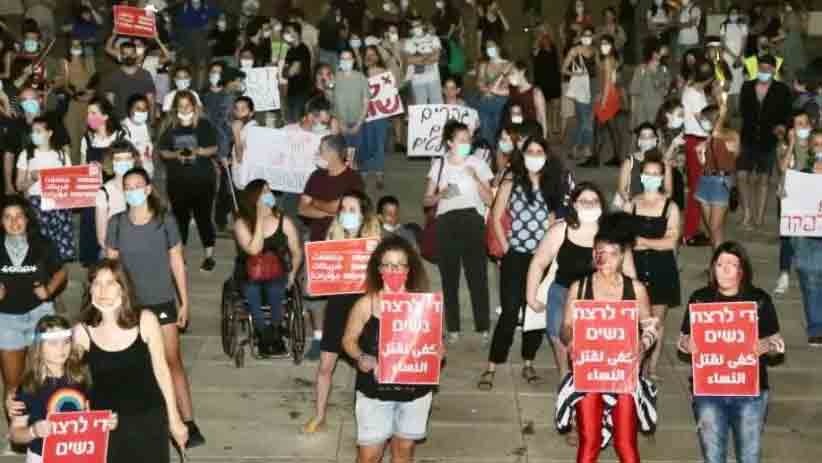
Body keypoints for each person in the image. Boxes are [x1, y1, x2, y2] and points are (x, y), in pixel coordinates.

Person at [105, 168, 205, 448]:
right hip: (130, 305)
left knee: (172, 361)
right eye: (128, 186)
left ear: (148, 189)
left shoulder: (166, 222)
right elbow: (110, 267)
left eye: (138, 185)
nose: (134, 190)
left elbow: (176, 262)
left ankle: (188, 421)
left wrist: (184, 301)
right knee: (136, 365)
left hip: (161, 301)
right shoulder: (116, 224)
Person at [559, 218, 659, 463]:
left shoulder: (635, 289)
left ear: (623, 256)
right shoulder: (579, 288)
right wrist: (571, 340)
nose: (607, 259)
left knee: (625, 444)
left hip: (623, 373)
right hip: (590, 372)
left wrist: (643, 344)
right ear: (594, 254)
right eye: (601, 253)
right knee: (589, 442)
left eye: (613, 254)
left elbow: (651, 326)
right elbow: (566, 326)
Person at [677, 242, 785, 463]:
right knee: (713, 455)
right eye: (719, 264)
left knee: (749, 455)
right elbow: (681, 339)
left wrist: (767, 345)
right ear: (712, 268)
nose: (724, 269)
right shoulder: (700, 298)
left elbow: (778, 343)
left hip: (750, 392)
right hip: (709, 391)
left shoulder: (759, 300)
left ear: (742, 270)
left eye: (731, 264)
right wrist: (687, 344)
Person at [480, 136, 573, 389]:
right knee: (510, 311)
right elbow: (497, 216)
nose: (534, 155)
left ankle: (528, 362)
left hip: (540, 259)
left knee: (534, 311)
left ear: (546, 155)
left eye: (538, 151)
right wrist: (507, 248)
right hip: (515, 256)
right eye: (530, 151)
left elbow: (555, 220)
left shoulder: (553, 184)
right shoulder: (512, 180)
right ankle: (492, 365)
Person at [73, 259, 189, 461]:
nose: (103, 291)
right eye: (97, 284)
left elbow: (162, 372)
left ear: (123, 288)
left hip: (148, 418)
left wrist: (175, 419)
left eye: (110, 283)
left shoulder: (145, 320)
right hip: (107, 424)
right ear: (89, 289)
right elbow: (69, 378)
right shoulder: (82, 332)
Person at [342, 235, 443, 463]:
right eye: (387, 265)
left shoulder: (423, 305)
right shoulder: (366, 304)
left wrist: (437, 354)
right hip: (374, 391)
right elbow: (348, 340)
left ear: (409, 270)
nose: (393, 270)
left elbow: (437, 345)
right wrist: (362, 357)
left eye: (399, 265)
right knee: (369, 455)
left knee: (403, 452)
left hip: (414, 393)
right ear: (379, 269)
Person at [303, 189, 381, 434]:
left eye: (352, 209)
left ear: (363, 214)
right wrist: (313, 280)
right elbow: (317, 278)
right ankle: (319, 415)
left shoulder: (376, 245)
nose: (346, 213)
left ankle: (371, 418)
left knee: (366, 365)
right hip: (337, 308)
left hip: (364, 311)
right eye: (343, 209)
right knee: (325, 366)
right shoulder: (331, 239)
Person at [8, 314, 116, 463]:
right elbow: (15, 433)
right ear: (39, 347)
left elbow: (90, 413)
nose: (61, 348)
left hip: (80, 452)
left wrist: (105, 422)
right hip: (42, 456)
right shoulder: (29, 385)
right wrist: (33, 431)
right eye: (53, 343)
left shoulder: (81, 376)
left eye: (66, 342)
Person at [423, 120, 493, 343]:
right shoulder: (439, 164)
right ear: (450, 143)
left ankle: (483, 326)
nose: (466, 143)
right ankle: (453, 328)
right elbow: (426, 200)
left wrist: (475, 177)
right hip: (447, 223)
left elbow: (490, 199)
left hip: (473, 220)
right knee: (449, 277)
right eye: (461, 140)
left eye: (468, 139)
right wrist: (440, 195)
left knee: (477, 276)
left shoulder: (478, 163)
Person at [526, 182, 604, 377]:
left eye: (594, 201)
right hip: (562, 292)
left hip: (598, 297)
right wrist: (531, 298)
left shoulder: (610, 233)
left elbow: (627, 270)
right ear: (574, 204)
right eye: (584, 201)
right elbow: (538, 263)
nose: (589, 205)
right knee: (559, 338)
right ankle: (564, 377)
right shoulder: (561, 230)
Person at [299, 134, 365, 359]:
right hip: (318, 244)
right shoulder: (315, 176)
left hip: (344, 246)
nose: (319, 154)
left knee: (342, 297)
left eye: (321, 150)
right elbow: (302, 209)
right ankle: (318, 338)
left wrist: (316, 202)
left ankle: (345, 338)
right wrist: (329, 208)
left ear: (332, 153)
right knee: (314, 295)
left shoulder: (353, 179)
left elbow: (341, 207)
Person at [0, 195, 66, 418]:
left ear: (27, 219)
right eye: (7, 217)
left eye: (19, 216)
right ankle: (16, 431)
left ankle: (51, 426)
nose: (14, 222)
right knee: (13, 382)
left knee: (49, 377)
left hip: (41, 315)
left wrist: (49, 290)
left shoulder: (42, 243)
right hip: (7, 319)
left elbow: (61, 271)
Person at [624, 156, 681, 380]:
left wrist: (643, 242)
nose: (651, 177)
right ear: (641, 176)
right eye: (647, 173)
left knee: (656, 322)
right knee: (633, 319)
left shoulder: (671, 207)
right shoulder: (632, 203)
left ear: (661, 177)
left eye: (656, 174)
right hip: (634, 269)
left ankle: (652, 368)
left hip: (662, 268)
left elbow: (671, 241)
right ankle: (634, 363)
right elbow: (624, 239)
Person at [234, 180, 303, 357]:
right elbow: (254, 249)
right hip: (249, 273)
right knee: (252, 291)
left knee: (275, 288)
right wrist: (259, 219)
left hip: (276, 270)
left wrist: (293, 274)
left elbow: (296, 251)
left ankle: (275, 329)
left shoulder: (284, 221)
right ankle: (262, 333)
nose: (269, 194)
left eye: (269, 190)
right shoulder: (241, 224)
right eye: (264, 192)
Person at [157, 90, 219, 272]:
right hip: (178, 181)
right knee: (180, 219)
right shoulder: (169, 126)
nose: (184, 109)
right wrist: (175, 154)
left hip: (203, 180)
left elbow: (213, 148)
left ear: (194, 106)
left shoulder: (204, 125)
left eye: (188, 105)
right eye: (181, 105)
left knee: (204, 218)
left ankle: (209, 256)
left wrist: (198, 152)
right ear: (176, 107)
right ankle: (180, 255)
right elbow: (163, 151)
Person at [737, 55, 791, 230]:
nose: (763, 72)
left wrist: (781, 127)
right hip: (748, 137)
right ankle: (746, 214)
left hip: (768, 139)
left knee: (763, 179)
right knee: (741, 175)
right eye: (761, 69)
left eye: (767, 69)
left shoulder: (782, 90)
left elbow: (786, 114)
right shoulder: (747, 87)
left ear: (774, 71)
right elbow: (743, 112)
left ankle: (759, 218)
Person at [15, 117, 74, 262]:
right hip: (36, 204)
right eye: (32, 131)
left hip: (59, 204)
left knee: (60, 241)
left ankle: (60, 270)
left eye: (38, 131)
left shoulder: (61, 155)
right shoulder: (27, 154)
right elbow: (19, 185)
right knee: (39, 241)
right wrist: (32, 179)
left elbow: (71, 182)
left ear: (49, 133)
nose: (34, 134)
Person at [78, 98, 125, 266]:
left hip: (114, 193)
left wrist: (107, 167)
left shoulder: (120, 136)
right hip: (92, 195)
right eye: (88, 114)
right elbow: (82, 167)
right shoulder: (87, 139)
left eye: (93, 113)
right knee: (92, 233)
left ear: (105, 116)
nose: (89, 117)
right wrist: (87, 169)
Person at [787, 129, 822, 345]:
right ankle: (816, 328)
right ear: (810, 147)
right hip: (808, 237)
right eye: (816, 144)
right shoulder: (801, 174)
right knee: (810, 283)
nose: (820, 149)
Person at [774, 111, 813, 295]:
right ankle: (784, 274)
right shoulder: (784, 146)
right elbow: (783, 167)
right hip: (790, 196)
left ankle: (808, 271)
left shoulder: (816, 146)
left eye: (805, 123)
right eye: (799, 124)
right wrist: (791, 144)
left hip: (811, 197)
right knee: (788, 237)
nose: (803, 127)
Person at [695, 100, 740, 250]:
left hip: (721, 183)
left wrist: (721, 115)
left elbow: (718, 136)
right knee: (713, 229)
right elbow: (704, 162)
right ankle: (717, 260)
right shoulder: (710, 136)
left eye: (705, 119)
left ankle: (718, 260)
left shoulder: (731, 135)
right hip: (705, 181)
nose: (703, 122)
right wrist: (701, 154)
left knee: (715, 227)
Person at [681, 59, 714, 246]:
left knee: (698, 187)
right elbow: (703, 119)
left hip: (698, 139)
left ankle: (693, 227)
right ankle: (689, 233)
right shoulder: (693, 93)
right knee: (697, 189)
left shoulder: (694, 89)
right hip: (696, 141)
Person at [583, 33, 621, 167]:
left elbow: (607, 82)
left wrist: (603, 100)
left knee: (598, 128)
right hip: (611, 94)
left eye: (606, 43)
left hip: (607, 96)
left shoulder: (607, 60)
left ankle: (595, 159)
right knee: (612, 128)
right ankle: (616, 157)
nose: (603, 46)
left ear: (611, 45)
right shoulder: (611, 58)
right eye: (602, 43)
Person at [615, 124, 674, 208]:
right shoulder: (629, 162)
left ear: (656, 140)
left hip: (657, 206)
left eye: (650, 136)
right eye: (643, 137)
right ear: (638, 141)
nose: (647, 140)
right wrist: (633, 204)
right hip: (633, 205)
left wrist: (657, 204)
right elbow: (621, 189)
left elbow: (668, 191)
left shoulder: (664, 163)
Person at [358, 45, 392, 188]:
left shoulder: (384, 72)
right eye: (367, 54)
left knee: (379, 142)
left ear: (378, 57)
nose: (370, 57)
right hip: (364, 113)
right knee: (365, 141)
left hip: (380, 113)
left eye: (373, 54)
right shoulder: (359, 74)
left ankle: (379, 173)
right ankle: (364, 170)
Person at [562, 27, 597, 162]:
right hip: (580, 89)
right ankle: (578, 147)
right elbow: (563, 69)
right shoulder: (574, 50)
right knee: (585, 121)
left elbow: (598, 69)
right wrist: (576, 73)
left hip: (592, 88)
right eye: (585, 35)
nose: (587, 37)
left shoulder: (594, 51)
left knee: (587, 121)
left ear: (593, 37)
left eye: (590, 35)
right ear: (581, 36)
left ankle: (583, 147)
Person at [60, 37, 94, 165]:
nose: (76, 47)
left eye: (78, 44)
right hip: (71, 108)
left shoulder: (88, 61)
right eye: (73, 45)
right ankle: (73, 169)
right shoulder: (64, 63)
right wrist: (73, 94)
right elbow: (63, 85)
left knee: (90, 140)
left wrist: (88, 95)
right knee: (73, 142)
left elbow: (94, 83)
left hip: (88, 108)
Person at [100, 40, 156, 119]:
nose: (129, 57)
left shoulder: (145, 75)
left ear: (136, 55)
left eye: (131, 54)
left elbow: (151, 100)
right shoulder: (113, 76)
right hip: (121, 120)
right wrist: (112, 122)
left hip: (142, 119)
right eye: (125, 54)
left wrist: (152, 119)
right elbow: (110, 101)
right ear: (121, 56)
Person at [333, 49, 370, 167]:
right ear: (339, 61)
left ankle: (353, 174)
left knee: (356, 152)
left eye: (348, 59)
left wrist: (359, 124)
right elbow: (333, 103)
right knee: (343, 153)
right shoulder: (335, 78)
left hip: (357, 121)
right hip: (341, 122)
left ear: (353, 61)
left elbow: (366, 102)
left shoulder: (361, 77)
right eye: (343, 59)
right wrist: (340, 123)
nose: (345, 61)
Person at [474, 39, 510, 147]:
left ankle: (499, 155)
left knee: (499, 131)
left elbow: (506, 85)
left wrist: (490, 90)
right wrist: (486, 90)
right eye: (487, 47)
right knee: (485, 131)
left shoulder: (507, 64)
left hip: (501, 102)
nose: (489, 49)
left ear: (498, 48)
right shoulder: (483, 65)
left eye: (492, 46)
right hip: (485, 100)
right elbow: (479, 81)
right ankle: (488, 154)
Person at [629, 40, 671, 132]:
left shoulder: (664, 70)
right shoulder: (641, 69)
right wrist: (633, 115)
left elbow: (665, 92)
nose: (661, 57)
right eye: (659, 53)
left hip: (657, 111)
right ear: (653, 53)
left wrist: (660, 86)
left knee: (657, 137)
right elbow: (634, 93)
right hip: (642, 112)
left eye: (665, 55)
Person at [404, 16, 443, 105]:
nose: (416, 28)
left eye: (418, 25)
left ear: (423, 26)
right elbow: (409, 60)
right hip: (417, 81)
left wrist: (417, 58)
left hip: (434, 79)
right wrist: (428, 56)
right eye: (413, 26)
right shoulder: (408, 42)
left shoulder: (434, 38)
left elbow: (436, 58)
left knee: (437, 105)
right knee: (420, 107)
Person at [532, 25, 562, 136]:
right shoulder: (536, 45)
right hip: (542, 80)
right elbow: (534, 51)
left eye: (546, 31)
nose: (545, 33)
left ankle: (554, 125)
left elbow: (556, 61)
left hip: (554, 77)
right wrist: (539, 38)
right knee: (544, 105)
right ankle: (546, 126)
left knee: (556, 104)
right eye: (542, 31)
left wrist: (559, 75)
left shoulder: (553, 45)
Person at [719, 5, 748, 117]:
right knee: (728, 81)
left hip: (739, 57)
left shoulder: (743, 26)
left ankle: (737, 108)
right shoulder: (724, 26)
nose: (734, 15)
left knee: (738, 82)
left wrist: (739, 55)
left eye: (736, 13)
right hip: (728, 57)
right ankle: (725, 108)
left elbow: (745, 42)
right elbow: (723, 43)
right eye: (732, 13)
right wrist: (732, 55)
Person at [507, 61, 548, 138]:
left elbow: (542, 118)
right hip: (516, 132)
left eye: (512, 73)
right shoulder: (512, 90)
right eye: (508, 74)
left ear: (522, 72)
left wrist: (543, 140)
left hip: (531, 133)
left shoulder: (536, 92)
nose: (509, 77)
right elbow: (493, 89)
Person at [283, 21, 312, 123]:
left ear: (296, 33)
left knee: (297, 122)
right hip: (291, 91)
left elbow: (290, 72)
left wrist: (286, 70)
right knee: (289, 122)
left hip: (301, 92)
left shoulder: (302, 50)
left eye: (288, 31)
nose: (285, 33)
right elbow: (286, 71)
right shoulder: (290, 50)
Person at [121, 94, 155, 178]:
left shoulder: (147, 127)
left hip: (148, 173)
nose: (142, 112)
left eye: (145, 109)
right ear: (129, 109)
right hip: (131, 175)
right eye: (138, 109)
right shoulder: (123, 128)